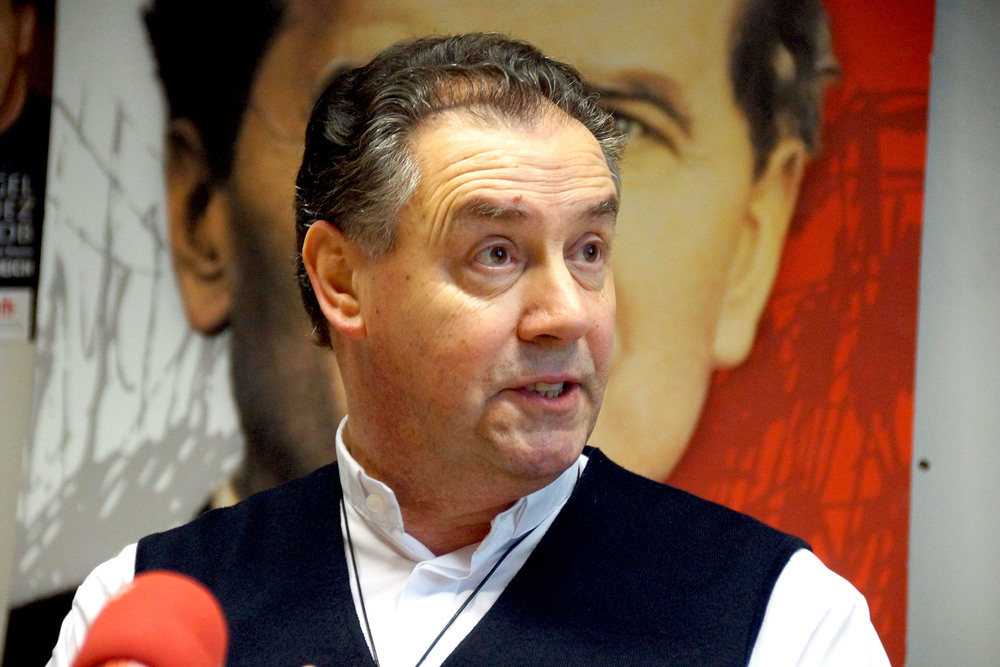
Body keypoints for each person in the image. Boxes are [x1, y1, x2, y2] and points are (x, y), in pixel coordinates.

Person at [7, 1, 839, 663]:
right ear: (341, 279)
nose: (569, 313)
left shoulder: (781, 621)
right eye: (496, 252)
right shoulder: (139, 603)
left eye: (589, 250)